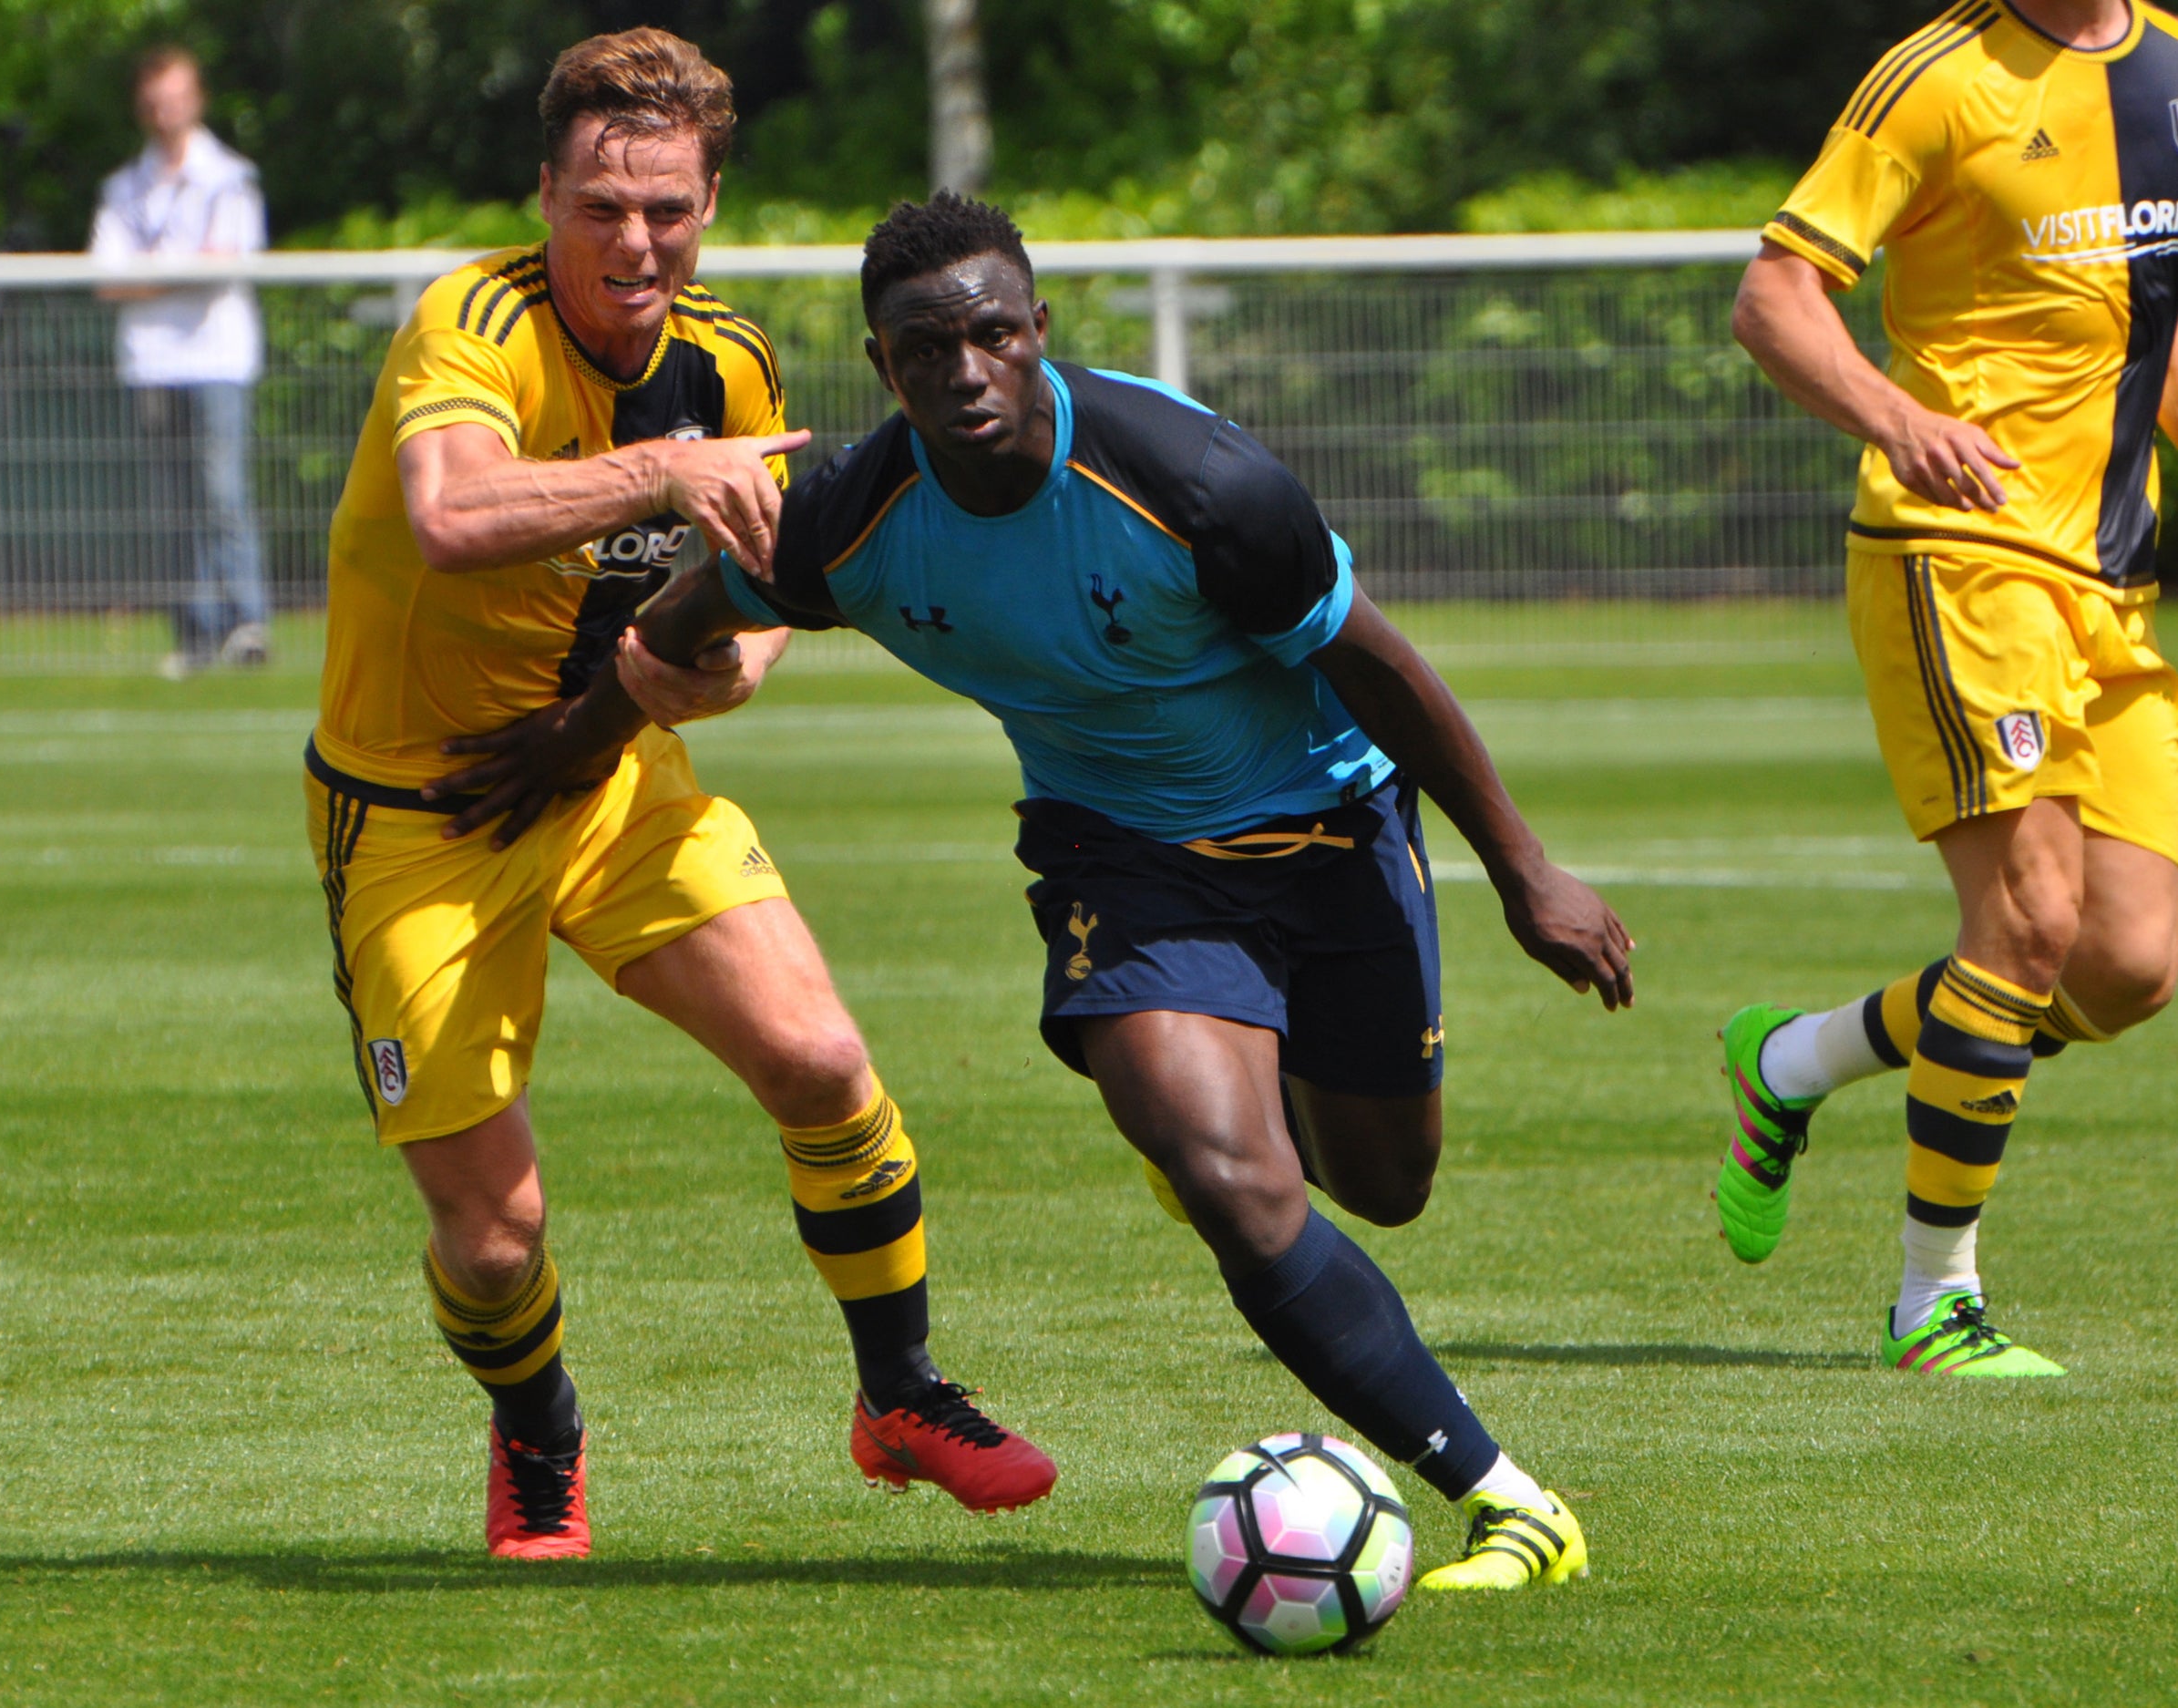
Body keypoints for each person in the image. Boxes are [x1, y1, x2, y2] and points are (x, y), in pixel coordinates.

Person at [437, 193, 1636, 1590]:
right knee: (1233, 1180)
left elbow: (1376, 665)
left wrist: (1523, 871)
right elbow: (692, 611)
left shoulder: (1197, 485)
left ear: (1038, 333)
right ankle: (1509, 1501)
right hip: (1117, 856)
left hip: (1328, 828)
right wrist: (569, 742)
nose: (964, 374)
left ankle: (1214, 1121)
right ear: (884, 367)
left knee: (1382, 1183)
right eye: (925, 350)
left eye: (992, 336)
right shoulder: (849, 518)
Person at [306, 34, 1053, 1560]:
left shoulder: (727, 357)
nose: (630, 241)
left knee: (822, 1059)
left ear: (709, 198)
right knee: (493, 1232)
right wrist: (665, 475)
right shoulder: (473, 321)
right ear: (546, 194)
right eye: (598, 206)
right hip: (418, 811)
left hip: (614, 779)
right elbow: (450, 512)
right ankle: (536, 1426)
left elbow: (770, 563)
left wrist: (744, 655)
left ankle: (901, 1390)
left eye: (663, 207)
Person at [1721, 0, 2178, 1375]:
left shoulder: (2165, 61)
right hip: (1959, 557)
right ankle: (1933, 1302)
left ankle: (1790, 1062)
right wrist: (1899, 419)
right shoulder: (1934, 79)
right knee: (2028, 921)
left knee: (2128, 963)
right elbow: (1773, 297)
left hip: (2112, 572)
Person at [89, 45, 272, 677]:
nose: (164, 109)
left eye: (176, 95)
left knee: (223, 493)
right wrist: (180, 270)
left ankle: (246, 624)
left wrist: (152, 272)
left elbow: (224, 264)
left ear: (196, 99)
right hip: (149, 361)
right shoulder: (123, 186)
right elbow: (107, 280)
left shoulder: (230, 177)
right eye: (154, 98)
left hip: (218, 358)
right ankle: (193, 631)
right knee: (170, 503)